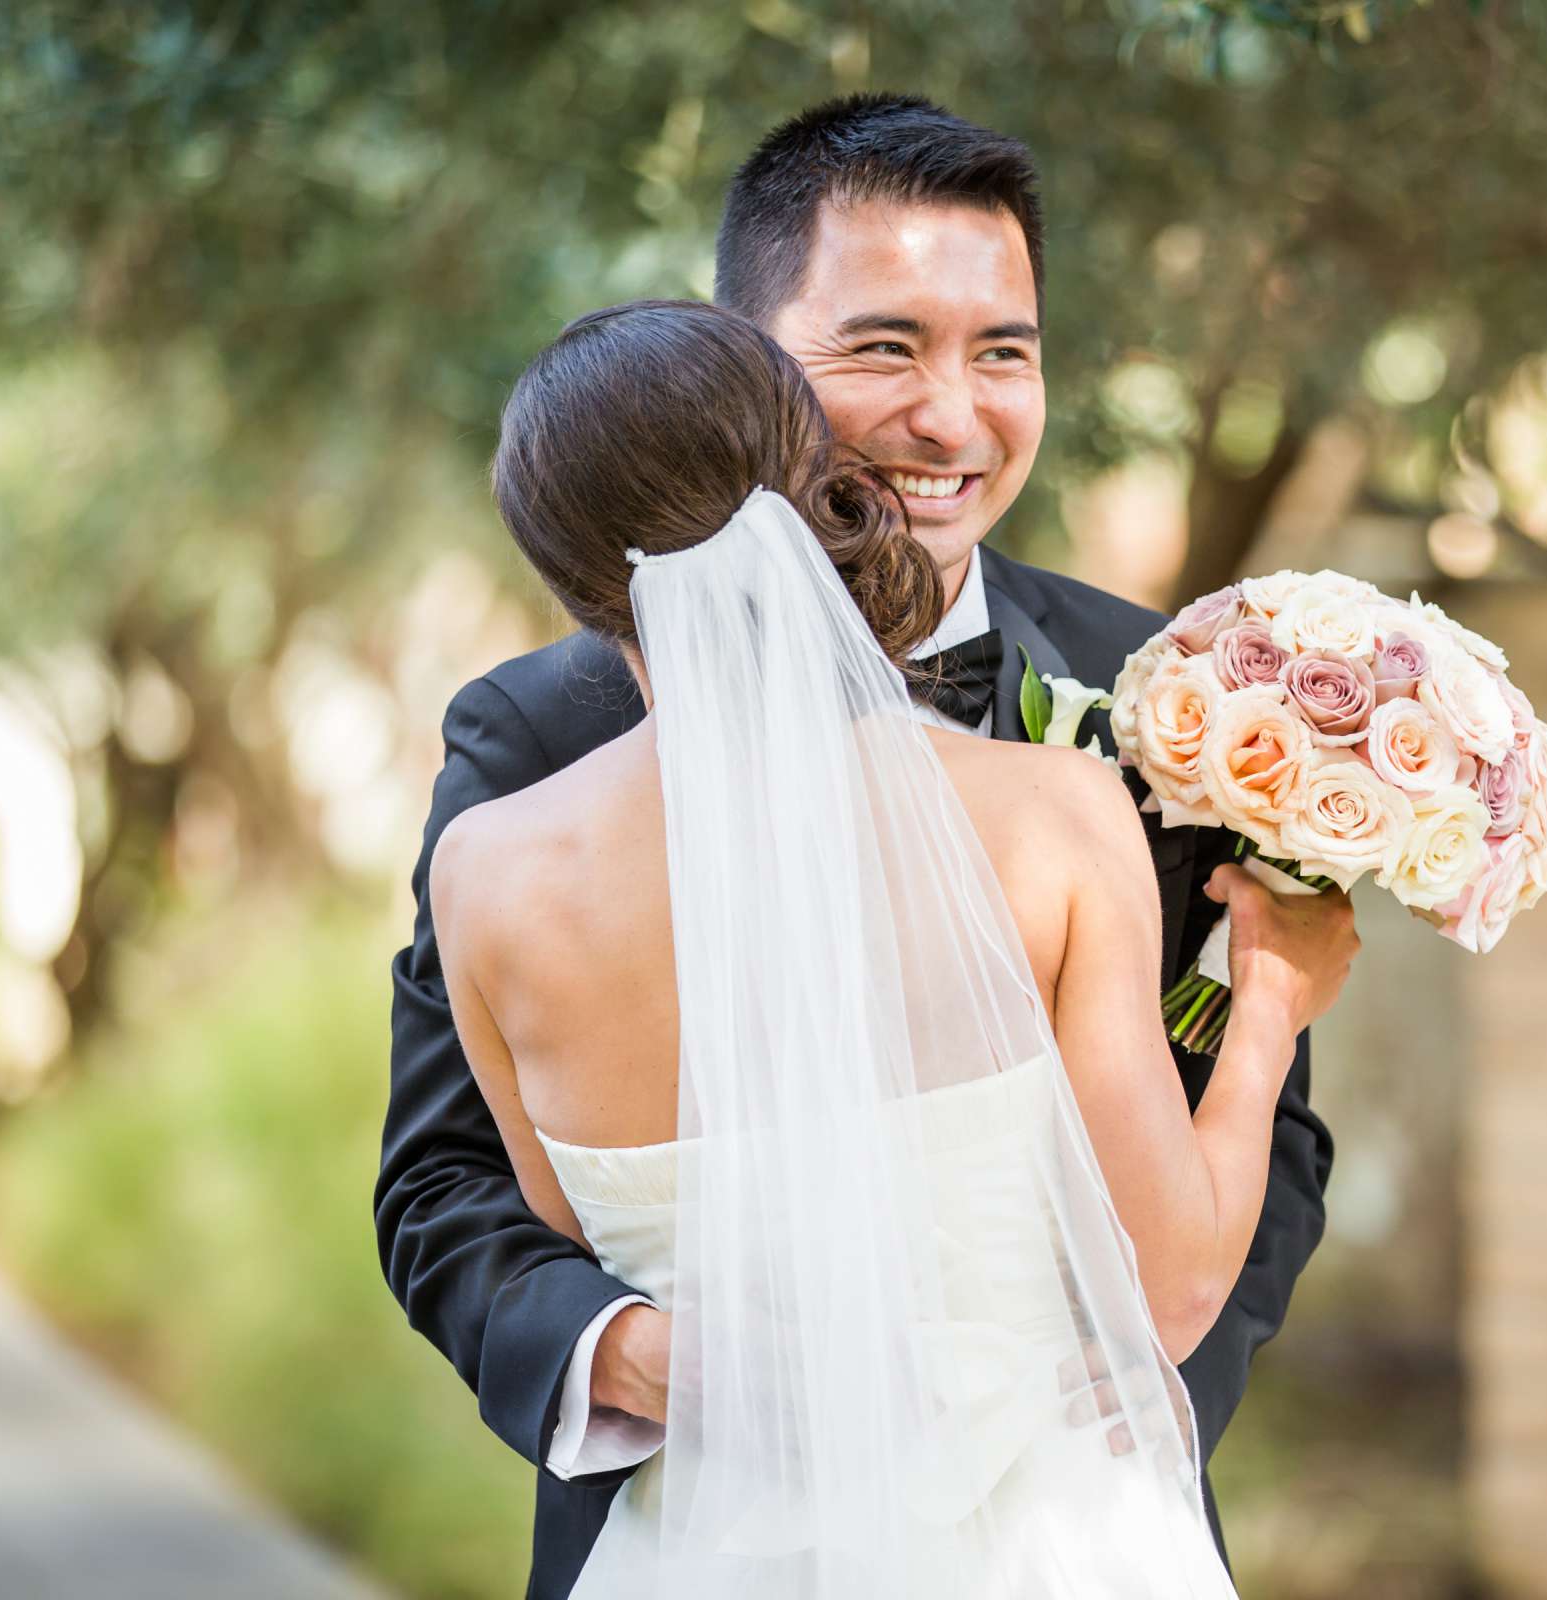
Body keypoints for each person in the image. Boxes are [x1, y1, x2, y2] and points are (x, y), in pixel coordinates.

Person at [375, 96, 1343, 1597]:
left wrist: (1134, 1401)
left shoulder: (1172, 695)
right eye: (884, 348)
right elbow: (444, 1185)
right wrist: (643, 1357)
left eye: (1002, 352)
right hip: (703, 1498)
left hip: (1075, 1501)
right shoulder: (523, 738)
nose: (952, 417)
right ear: (743, 359)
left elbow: (1258, 1142)